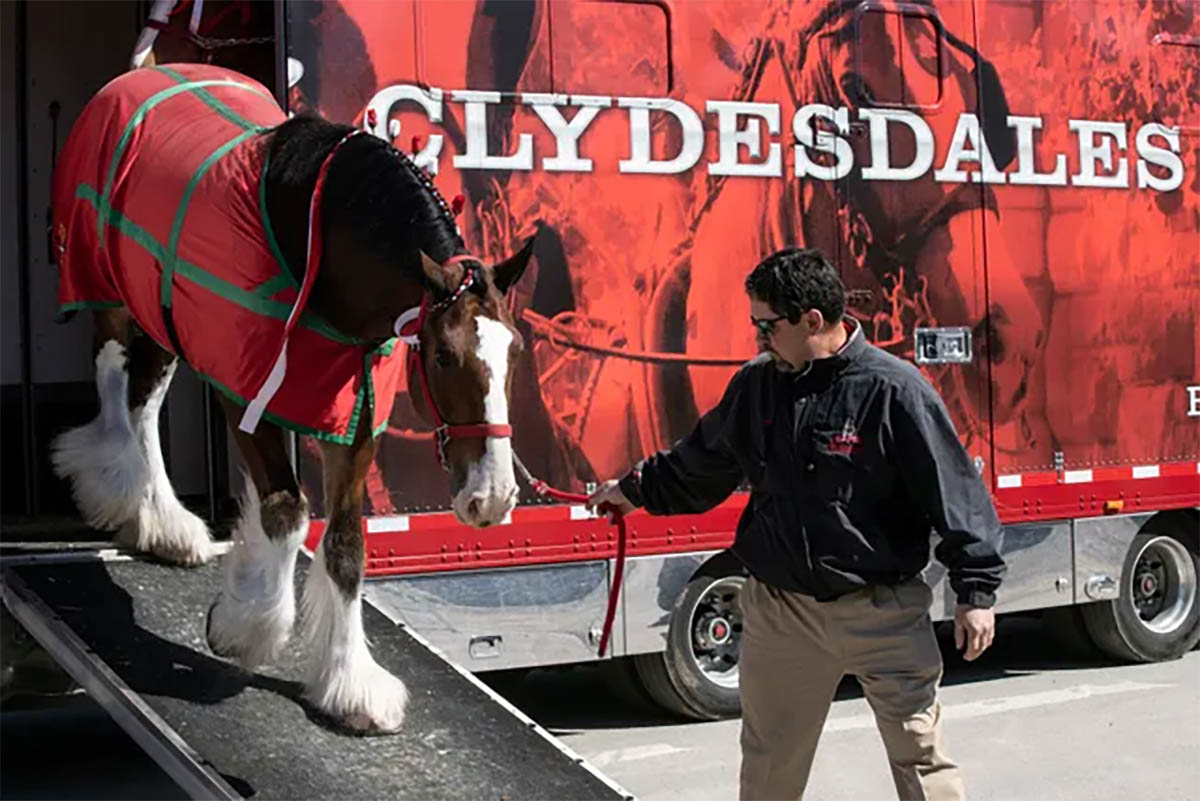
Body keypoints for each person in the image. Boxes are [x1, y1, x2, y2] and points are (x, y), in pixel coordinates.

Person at [589, 247, 1006, 801]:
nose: (759, 338)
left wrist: (975, 591)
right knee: (768, 770)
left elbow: (957, 493)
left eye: (768, 325)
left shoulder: (894, 391)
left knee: (921, 760)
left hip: (881, 613)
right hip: (781, 615)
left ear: (813, 320)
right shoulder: (757, 385)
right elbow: (704, 460)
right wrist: (634, 491)